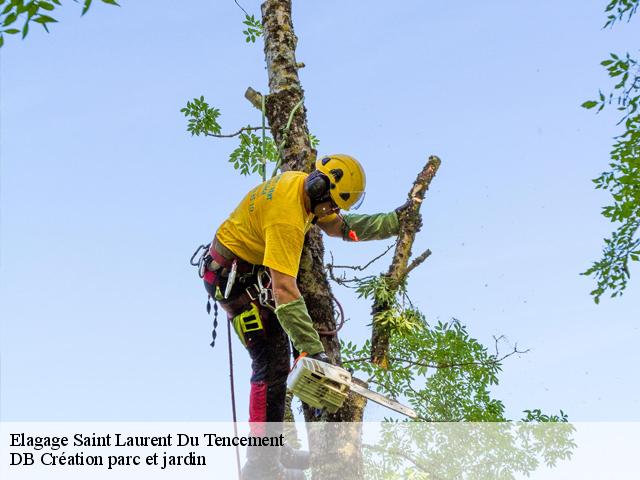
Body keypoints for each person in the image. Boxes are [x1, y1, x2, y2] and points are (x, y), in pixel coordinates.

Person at [200, 154, 402, 479]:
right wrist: (314, 351)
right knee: (270, 363)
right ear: (321, 191)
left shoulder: (303, 186)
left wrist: (393, 223)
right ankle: (260, 463)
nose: (335, 212)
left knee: (277, 356)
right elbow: (284, 290)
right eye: (333, 205)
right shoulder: (287, 220)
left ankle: (274, 447)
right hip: (231, 282)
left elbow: (343, 228)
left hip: (244, 274)